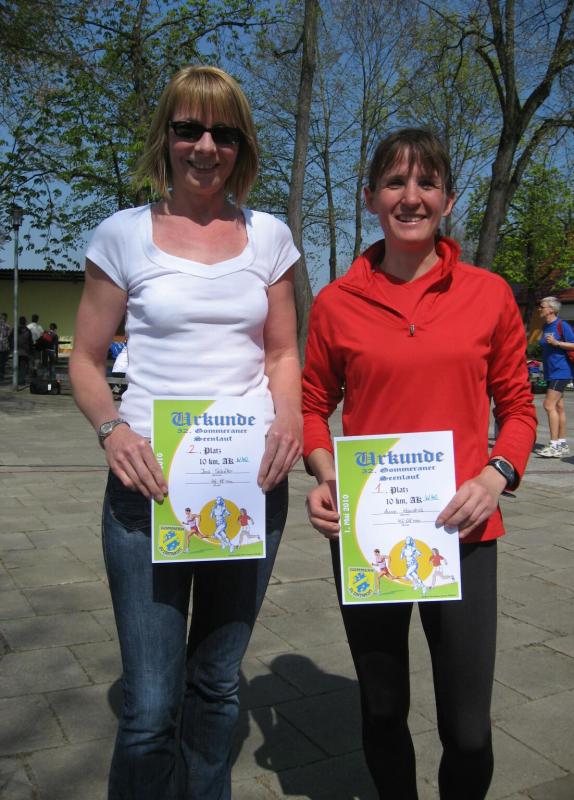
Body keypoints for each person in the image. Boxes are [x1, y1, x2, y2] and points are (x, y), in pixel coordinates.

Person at [69, 65, 302, 800]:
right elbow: (84, 359)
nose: (205, 146)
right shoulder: (122, 234)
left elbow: (282, 353)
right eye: (189, 129)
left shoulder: (269, 236)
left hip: (248, 485)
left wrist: (290, 415)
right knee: (147, 708)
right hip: (149, 489)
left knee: (217, 687)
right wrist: (112, 430)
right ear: (165, 136)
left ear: (242, 145)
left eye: (223, 133)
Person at [303, 129, 537, 800]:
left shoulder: (488, 294)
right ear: (370, 197)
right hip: (369, 534)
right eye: (395, 183)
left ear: (449, 200)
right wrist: (325, 473)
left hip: (464, 534)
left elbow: (519, 408)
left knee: (469, 731)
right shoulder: (336, 302)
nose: (411, 197)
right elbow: (313, 404)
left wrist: (496, 474)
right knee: (382, 711)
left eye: (427, 183)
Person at [537, 297, 574, 457]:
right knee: (559, 407)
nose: (539, 309)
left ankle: (554, 445)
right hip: (551, 371)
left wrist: (557, 343)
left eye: (541, 306)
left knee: (548, 405)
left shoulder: (562, 325)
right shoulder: (545, 326)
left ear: (551, 309)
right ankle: (562, 444)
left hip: (561, 371)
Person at [17, 316, 33, 385]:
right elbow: (30, 342)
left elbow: (10, 339)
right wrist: (31, 351)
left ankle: (17, 380)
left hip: (17, 351)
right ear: (25, 322)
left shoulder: (15, 329)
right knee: (23, 367)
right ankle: (21, 381)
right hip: (25, 351)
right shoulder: (28, 331)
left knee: (17, 366)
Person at [0, 312, 10, 382]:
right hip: (4, 347)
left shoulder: (7, 326)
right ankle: (1, 377)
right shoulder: (7, 326)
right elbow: (9, 336)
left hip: (3, 346)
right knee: (2, 363)